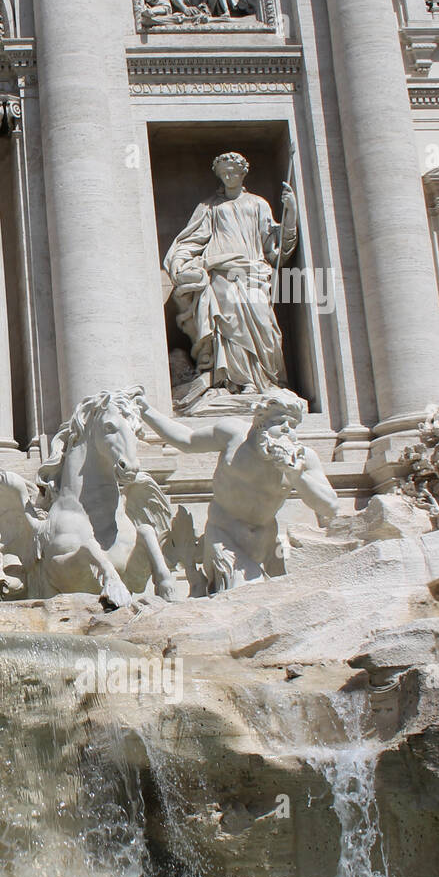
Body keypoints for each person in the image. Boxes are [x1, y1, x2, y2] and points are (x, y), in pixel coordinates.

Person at [136, 389, 338, 592]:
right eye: (280, 422)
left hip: (266, 543)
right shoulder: (233, 435)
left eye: (293, 425)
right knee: (250, 594)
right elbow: (187, 440)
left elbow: (330, 506)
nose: (287, 429)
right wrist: (146, 410)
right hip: (224, 538)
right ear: (260, 422)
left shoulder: (304, 458)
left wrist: (297, 475)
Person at [164, 151, 296, 394]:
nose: (227, 175)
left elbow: (275, 252)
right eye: (223, 172)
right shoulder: (209, 207)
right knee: (228, 326)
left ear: (243, 172)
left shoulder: (258, 204)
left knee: (264, 327)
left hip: (253, 272)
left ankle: (264, 382)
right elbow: (192, 239)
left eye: (232, 171)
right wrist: (180, 261)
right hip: (221, 273)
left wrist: (291, 215)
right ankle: (238, 382)